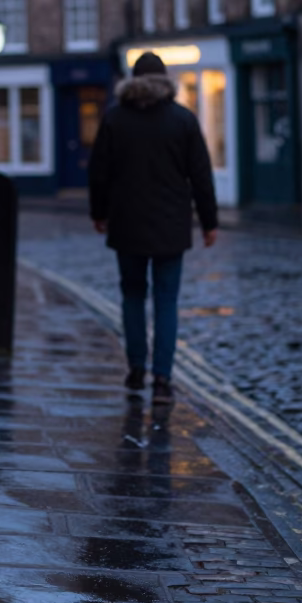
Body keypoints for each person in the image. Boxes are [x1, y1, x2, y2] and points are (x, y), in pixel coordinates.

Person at [88, 51, 218, 405]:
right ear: (165, 82)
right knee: (166, 300)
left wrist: (99, 213)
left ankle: (135, 369)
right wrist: (209, 222)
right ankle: (162, 379)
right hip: (171, 226)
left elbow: (99, 173)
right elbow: (201, 176)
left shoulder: (115, 119)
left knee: (132, 296)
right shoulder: (183, 120)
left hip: (127, 224)